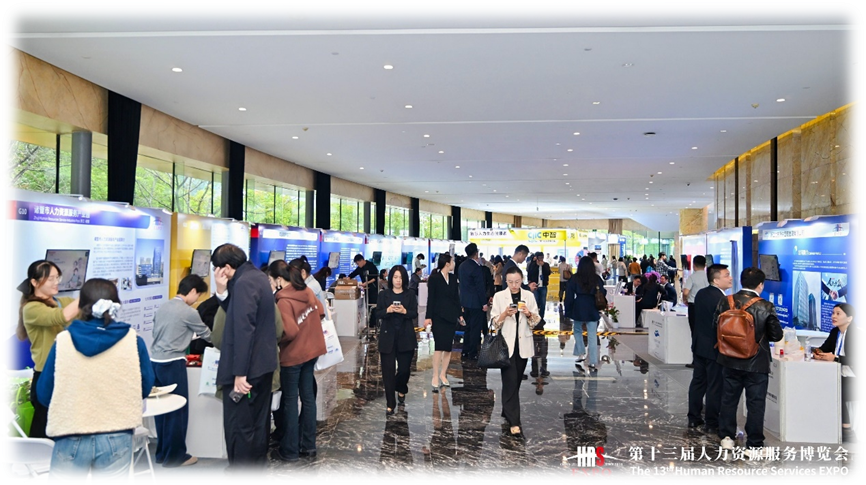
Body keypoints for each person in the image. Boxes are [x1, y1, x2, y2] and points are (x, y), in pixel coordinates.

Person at [37, 279, 154, 483]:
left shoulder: (63, 341)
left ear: (81, 305)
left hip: (70, 432)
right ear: (116, 304)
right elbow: (144, 387)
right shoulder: (133, 341)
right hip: (117, 433)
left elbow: (44, 393)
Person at [211, 244, 278, 480]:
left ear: (226, 267)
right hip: (263, 366)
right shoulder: (256, 276)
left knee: (239, 431)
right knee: (258, 427)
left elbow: (243, 329)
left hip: (247, 371)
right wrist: (221, 292)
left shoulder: (243, 283)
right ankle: (256, 475)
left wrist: (240, 373)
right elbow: (238, 313)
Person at [715, 267, 783, 456]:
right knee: (755, 404)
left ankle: (727, 437)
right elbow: (776, 335)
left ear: (741, 281)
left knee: (728, 399)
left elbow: (716, 326)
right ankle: (754, 445)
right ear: (761, 285)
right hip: (756, 362)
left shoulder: (726, 301)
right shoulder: (765, 306)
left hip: (729, 359)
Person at [150, 274, 212, 467]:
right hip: (173, 363)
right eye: (198, 295)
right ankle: (175, 456)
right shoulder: (188, 312)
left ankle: (162, 454)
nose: (197, 299)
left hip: (155, 362)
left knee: (161, 411)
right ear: (192, 291)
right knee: (177, 410)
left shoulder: (163, 306)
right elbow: (207, 335)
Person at [15, 260, 80, 439]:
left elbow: (85, 314)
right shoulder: (31, 308)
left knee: (67, 432)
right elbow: (61, 316)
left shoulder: (64, 301)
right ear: (34, 282)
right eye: (50, 279)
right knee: (44, 432)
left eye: (57, 277)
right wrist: (89, 294)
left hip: (69, 373)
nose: (56, 282)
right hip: (47, 376)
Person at [269, 260, 326, 463]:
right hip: (312, 351)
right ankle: (308, 445)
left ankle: (290, 450)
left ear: (278, 279)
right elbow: (320, 311)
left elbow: (290, 331)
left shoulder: (283, 301)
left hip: (293, 356)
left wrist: (276, 340)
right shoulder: (307, 291)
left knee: (290, 401)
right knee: (308, 398)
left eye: (271, 279)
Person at [490, 266, 540, 438]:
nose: (514, 285)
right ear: (505, 281)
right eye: (510, 282)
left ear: (522, 280)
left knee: (516, 380)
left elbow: (536, 321)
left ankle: (507, 409)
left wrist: (528, 314)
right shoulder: (499, 296)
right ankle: (514, 421)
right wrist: (504, 314)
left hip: (523, 345)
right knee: (510, 380)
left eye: (517, 282)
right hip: (506, 346)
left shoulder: (529, 296)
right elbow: (494, 324)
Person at [686, 264, 732, 433]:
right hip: (714, 348)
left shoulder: (701, 294)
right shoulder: (722, 300)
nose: (730, 278)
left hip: (699, 345)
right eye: (726, 275)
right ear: (716, 280)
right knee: (714, 385)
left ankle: (693, 418)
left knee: (698, 382)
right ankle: (712, 422)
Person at [812, 303, 861, 443]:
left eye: (838, 314)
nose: (834, 316)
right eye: (833, 313)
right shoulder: (835, 332)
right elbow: (824, 348)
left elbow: (858, 360)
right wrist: (818, 353)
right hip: (837, 375)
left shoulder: (857, 335)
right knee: (819, 387)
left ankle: (847, 430)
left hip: (854, 379)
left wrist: (836, 358)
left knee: (836, 392)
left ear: (849, 318)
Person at [377, 265, 419, 415]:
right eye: (395, 277)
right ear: (391, 279)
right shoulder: (384, 295)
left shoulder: (410, 294)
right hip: (387, 338)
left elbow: (414, 313)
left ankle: (401, 387)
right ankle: (390, 403)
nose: (398, 280)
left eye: (400, 277)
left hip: (405, 337)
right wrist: (387, 310)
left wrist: (404, 311)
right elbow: (377, 314)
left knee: (404, 370)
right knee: (388, 372)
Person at [425, 253, 462, 391]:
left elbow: (456, 298)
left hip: (451, 316)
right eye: (452, 261)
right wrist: (428, 317)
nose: (453, 264)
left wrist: (460, 314)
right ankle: (435, 375)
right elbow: (431, 299)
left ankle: (443, 374)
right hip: (438, 317)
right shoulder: (434, 278)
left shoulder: (453, 278)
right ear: (447, 263)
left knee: (448, 347)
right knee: (439, 346)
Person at [564, 257, 606, 370]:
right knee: (592, 334)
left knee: (577, 330)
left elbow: (569, 295)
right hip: (592, 306)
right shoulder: (596, 278)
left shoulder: (575, 278)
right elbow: (603, 292)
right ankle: (593, 361)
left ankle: (581, 352)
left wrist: (568, 310)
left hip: (579, 306)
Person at [458, 243, 489, 361]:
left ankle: (465, 351)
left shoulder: (462, 266)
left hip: (465, 301)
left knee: (467, 327)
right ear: (476, 253)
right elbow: (480, 287)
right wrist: (484, 303)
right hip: (476, 303)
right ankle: (473, 352)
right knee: (475, 328)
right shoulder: (476, 268)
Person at [682, 256, 709, 351]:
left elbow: (686, 292)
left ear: (693, 265)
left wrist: (685, 300)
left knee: (694, 331)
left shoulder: (692, 277)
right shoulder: (709, 277)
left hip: (694, 306)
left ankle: (696, 353)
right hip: (706, 306)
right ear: (705, 265)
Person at [526, 252, 551, 324]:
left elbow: (548, 273)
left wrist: (543, 266)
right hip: (535, 286)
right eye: (539, 257)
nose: (541, 259)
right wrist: (536, 264)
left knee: (543, 303)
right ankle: (535, 317)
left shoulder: (546, 265)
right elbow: (530, 273)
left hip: (543, 286)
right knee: (535, 302)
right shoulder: (532, 265)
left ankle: (541, 318)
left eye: (542, 257)